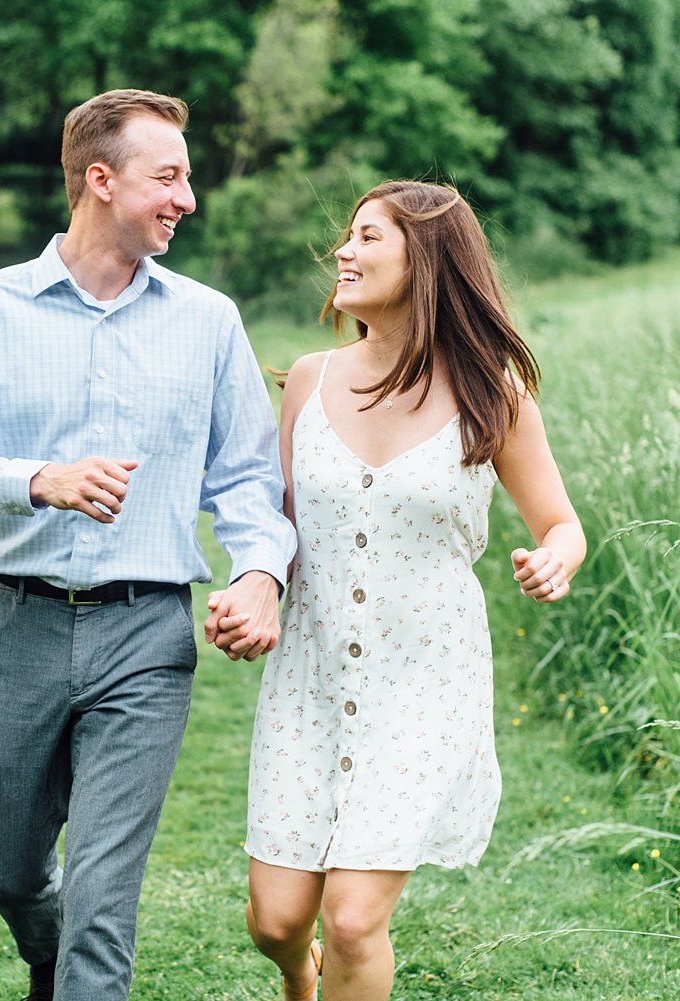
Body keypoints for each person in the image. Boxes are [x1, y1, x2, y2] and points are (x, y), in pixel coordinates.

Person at [0, 89, 295, 1001]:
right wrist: (39, 479)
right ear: (101, 180)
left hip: (146, 635)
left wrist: (261, 573)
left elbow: (246, 479)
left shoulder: (208, 321)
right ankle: (49, 954)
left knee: (106, 899)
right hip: (17, 626)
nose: (187, 197)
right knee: (13, 869)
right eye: (170, 176)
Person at [214, 180, 586, 1000]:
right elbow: (274, 523)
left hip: (426, 680)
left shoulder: (495, 392)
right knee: (276, 921)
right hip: (309, 681)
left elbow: (561, 522)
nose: (342, 252)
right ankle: (298, 979)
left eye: (367, 236)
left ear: (428, 258)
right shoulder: (310, 381)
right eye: (347, 236)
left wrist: (556, 558)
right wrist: (256, 586)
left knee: (351, 918)